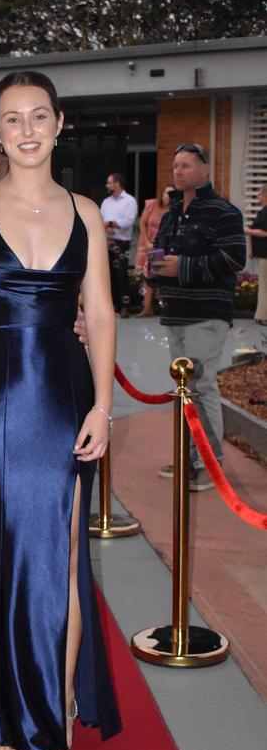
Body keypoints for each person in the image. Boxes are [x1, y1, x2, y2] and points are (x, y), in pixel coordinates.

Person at [0, 71, 121, 750]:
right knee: (11, 551)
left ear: (60, 123)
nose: (27, 130)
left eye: (39, 116)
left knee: (66, 557)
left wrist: (104, 406)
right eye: (12, 119)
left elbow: (99, 314)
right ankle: (8, 700)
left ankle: (58, 700)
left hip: (68, 396)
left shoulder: (87, 212)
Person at [150, 143, 246, 490]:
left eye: (187, 165)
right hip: (175, 312)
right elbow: (164, 260)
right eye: (175, 166)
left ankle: (208, 463)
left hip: (206, 313)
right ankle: (190, 456)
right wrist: (154, 269)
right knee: (185, 389)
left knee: (201, 387)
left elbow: (235, 259)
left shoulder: (224, 211)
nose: (179, 172)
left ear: (205, 170)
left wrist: (184, 267)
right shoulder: (172, 213)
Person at [100, 172, 138, 318]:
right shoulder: (106, 202)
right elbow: (101, 220)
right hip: (108, 241)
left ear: (117, 183)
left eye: (109, 182)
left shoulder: (129, 201)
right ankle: (113, 305)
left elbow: (127, 222)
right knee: (108, 274)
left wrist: (110, 224)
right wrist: (110, 225)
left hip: (122, 242)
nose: (107, 185)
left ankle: (125, 307)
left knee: (121, 273)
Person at [135, 184, 173, 317]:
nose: (168, 196)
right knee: (145, 274)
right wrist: (146, 241)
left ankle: (162, 306)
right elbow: (142, 223)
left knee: (156, 274)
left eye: (172, 193)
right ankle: (146, 307)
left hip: (161, 246)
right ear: (162, 194)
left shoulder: (174, 210)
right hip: (147, 242)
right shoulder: (152, 205)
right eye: (167, 193)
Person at [245, 182, 267, 325]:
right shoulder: (262, 211)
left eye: (260, 193)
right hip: (261, 253)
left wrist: (248, 230)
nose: (258, 196)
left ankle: (264, 316)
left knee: (265, 285)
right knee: (263, 285)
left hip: (266, 254)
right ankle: (261, 314)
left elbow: (264, 232)